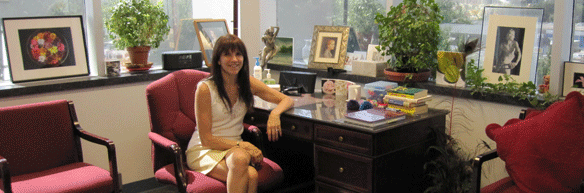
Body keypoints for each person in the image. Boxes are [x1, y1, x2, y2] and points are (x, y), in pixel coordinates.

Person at [186, 34, 294, 193]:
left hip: (233, 153)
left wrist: (274, 114)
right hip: (204, 150)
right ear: (218, 59)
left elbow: (286, 100)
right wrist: (242, 145)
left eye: (238, 54)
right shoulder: (205, 88)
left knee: (245, 166)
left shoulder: (247, 83)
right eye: (227, 54)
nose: (234, 59)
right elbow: (207, 139)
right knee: (245, 167)